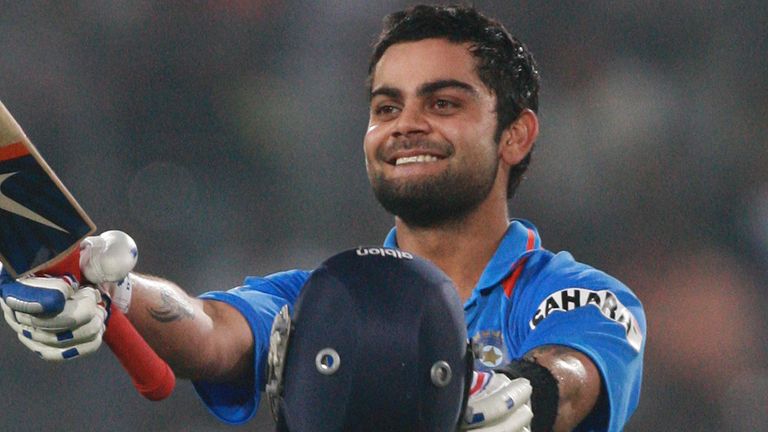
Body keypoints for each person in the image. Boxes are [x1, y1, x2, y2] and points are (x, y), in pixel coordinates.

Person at [0, 4, 645, 432]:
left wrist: (526, 389)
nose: (406, 124)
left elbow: (577, 371)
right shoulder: (321, 297)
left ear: (516, 135)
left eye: (443, 102)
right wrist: (113, 289)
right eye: (386, 107)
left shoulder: (571, 293)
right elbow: (211, 329)